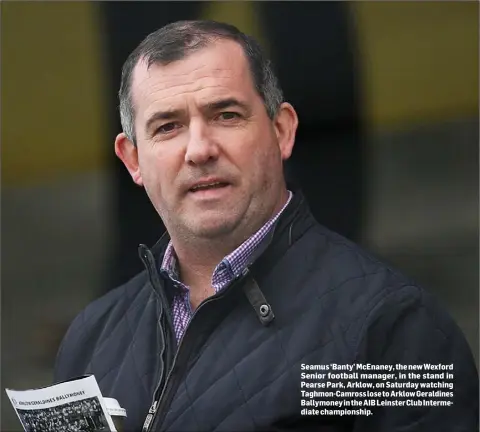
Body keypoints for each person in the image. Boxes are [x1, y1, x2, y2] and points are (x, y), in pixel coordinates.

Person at [54, 20, 478, 432]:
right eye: (168, 127)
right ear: (133, 159)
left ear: (282, 132)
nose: (199, 149)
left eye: (226, 115)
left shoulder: (391, 328)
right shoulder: (91, 337)